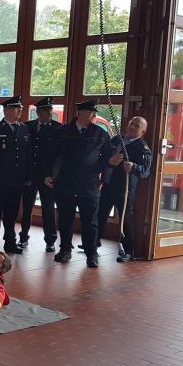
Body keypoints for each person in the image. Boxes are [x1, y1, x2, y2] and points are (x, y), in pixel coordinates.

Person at [45, 100, 121, 268]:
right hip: (65, 184)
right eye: (91, 112)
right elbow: (51, 156)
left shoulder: (100, 134)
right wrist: (47, 175)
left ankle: (91, 253)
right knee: (65, 220)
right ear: (80, 113)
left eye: (94, 112)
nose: (94, 115)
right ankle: (65, 250)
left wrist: (111, 161)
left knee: (90, 222)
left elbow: (107, 155)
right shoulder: (63, 132)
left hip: (90, 185)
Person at [96, 116, 152, 262]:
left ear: (143, 131)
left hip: (125, 189)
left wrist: (134, 167)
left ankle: (128, 251)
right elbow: (104, 156)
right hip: (109, 184)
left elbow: (145, 171)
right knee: (100, 214)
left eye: (137, 126)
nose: (132, 127)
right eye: (131, 123)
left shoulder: (142, 147)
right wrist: (109, 161)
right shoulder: (117, 139)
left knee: (125, 220)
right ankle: (93, 242)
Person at [0, 95, 31, 254]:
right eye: (17, 108)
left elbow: (26, 156)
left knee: (12, 214)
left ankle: (10, 242)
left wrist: (27, 177)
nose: (20, 111)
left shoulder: (24, 129)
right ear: (7, 110)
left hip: (17, 180)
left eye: (21, 108)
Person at [20, 97, 62, 252]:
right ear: (38, 112)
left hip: (47, 177)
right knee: (27, 208)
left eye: (50, 110)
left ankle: (50, 240)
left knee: (48, 209)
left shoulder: (58, 128)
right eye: (45, 110)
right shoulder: (27, 126)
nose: (49, 113)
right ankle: (23, 237)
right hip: (30, 175)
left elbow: (59, 156)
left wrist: (53, 176)